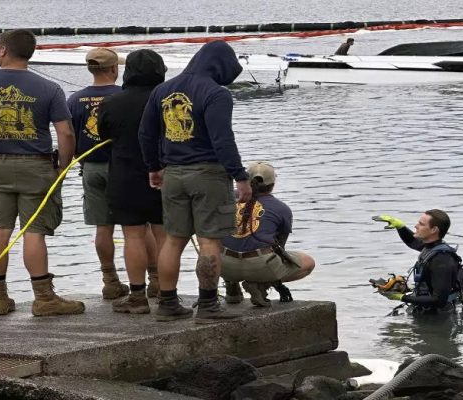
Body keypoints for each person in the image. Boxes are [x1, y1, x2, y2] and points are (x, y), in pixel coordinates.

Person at [0, 29, 84, 317]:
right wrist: (62, 167)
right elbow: (66, 133)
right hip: (36, 165)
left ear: (3, 50)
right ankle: (43, 298)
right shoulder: (49, 88)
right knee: (34, 233)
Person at [139, 40, 251, 323]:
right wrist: (240, 176)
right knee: (210, 240)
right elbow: (222, 140)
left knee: (173, 240)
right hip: (209, 174)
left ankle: (167, 304)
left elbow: (146, 134)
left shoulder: (162, 90)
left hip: (173, 173)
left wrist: (154, 167)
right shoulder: (216, 93)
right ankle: (209, 305)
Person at [97, 49, 169, 314]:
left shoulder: (112, 102)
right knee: (165, 236)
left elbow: (103, 135)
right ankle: (166, 292)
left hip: (125, 176)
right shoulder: (167, 100)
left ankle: (137, 296)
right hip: (165, 174)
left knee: (133, 236)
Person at [67, 47, 128, 300]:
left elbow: (69, 135)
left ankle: (110, 280)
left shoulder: (74, 100)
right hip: (123, 167)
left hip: (90, 168)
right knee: (137, 228)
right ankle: (153, 279)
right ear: (114, 69)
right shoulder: (125, 96)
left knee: (103, 228)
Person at [220, 161, 317, 307]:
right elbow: (280, 247)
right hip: (260, 265)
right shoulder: (282, 209)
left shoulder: (225, 197)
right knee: (308, 262)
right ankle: (260, 285)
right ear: (272, 184)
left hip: (223, 265)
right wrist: (275, 281)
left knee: (223, 242)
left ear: (246, 180)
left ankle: (232, 288)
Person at [374, 210, 462, 313]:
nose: (416, 226)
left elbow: (439, 300)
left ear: (434, 229)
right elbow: (413, 242)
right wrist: (400, 226)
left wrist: (401, 297)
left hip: (439, 318)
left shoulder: (442, 260)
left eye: (421, 224)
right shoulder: (431, 248)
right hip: (427, 311)